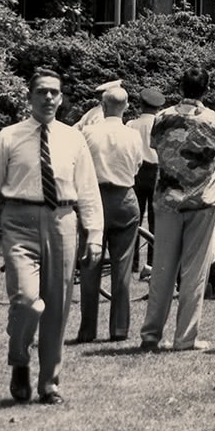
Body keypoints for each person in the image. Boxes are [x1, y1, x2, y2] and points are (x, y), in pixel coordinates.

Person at [0, 70, 104, 404]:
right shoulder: (10, 136)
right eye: (41, 92)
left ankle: (49, 384)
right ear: (29, 97)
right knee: (28, 301)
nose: (48, 98)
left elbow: (88, 189)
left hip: (62, 221)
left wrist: (95, 234)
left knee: (56, 307)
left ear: (61, 98)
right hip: (19, 222)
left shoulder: (73, 138)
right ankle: (19, 359)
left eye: (54, 93)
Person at [139, 68, 215, 353]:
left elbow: (155, 147)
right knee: (194, 272)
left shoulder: (162, 118)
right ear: (207, 89)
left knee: (163, 269)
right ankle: (185, 338)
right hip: (202, 202)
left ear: (180, 86)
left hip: (167, 200)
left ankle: (151, 335)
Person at [76, 84, 143, 342]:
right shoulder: (134, 135)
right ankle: (119, 328)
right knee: (123, 265)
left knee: (90, 264)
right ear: (126, 106)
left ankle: (87, 329)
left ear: (102, 107)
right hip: (125, 197)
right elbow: (137, 166)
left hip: (94, 197)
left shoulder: (88, 133)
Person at [129, 87, 165, 278]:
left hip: (137, 171)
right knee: (154, 219)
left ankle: (133, 261)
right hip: (156, 170)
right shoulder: (160, 123)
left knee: (136, 217)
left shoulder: (132, 124)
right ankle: (152, 261)